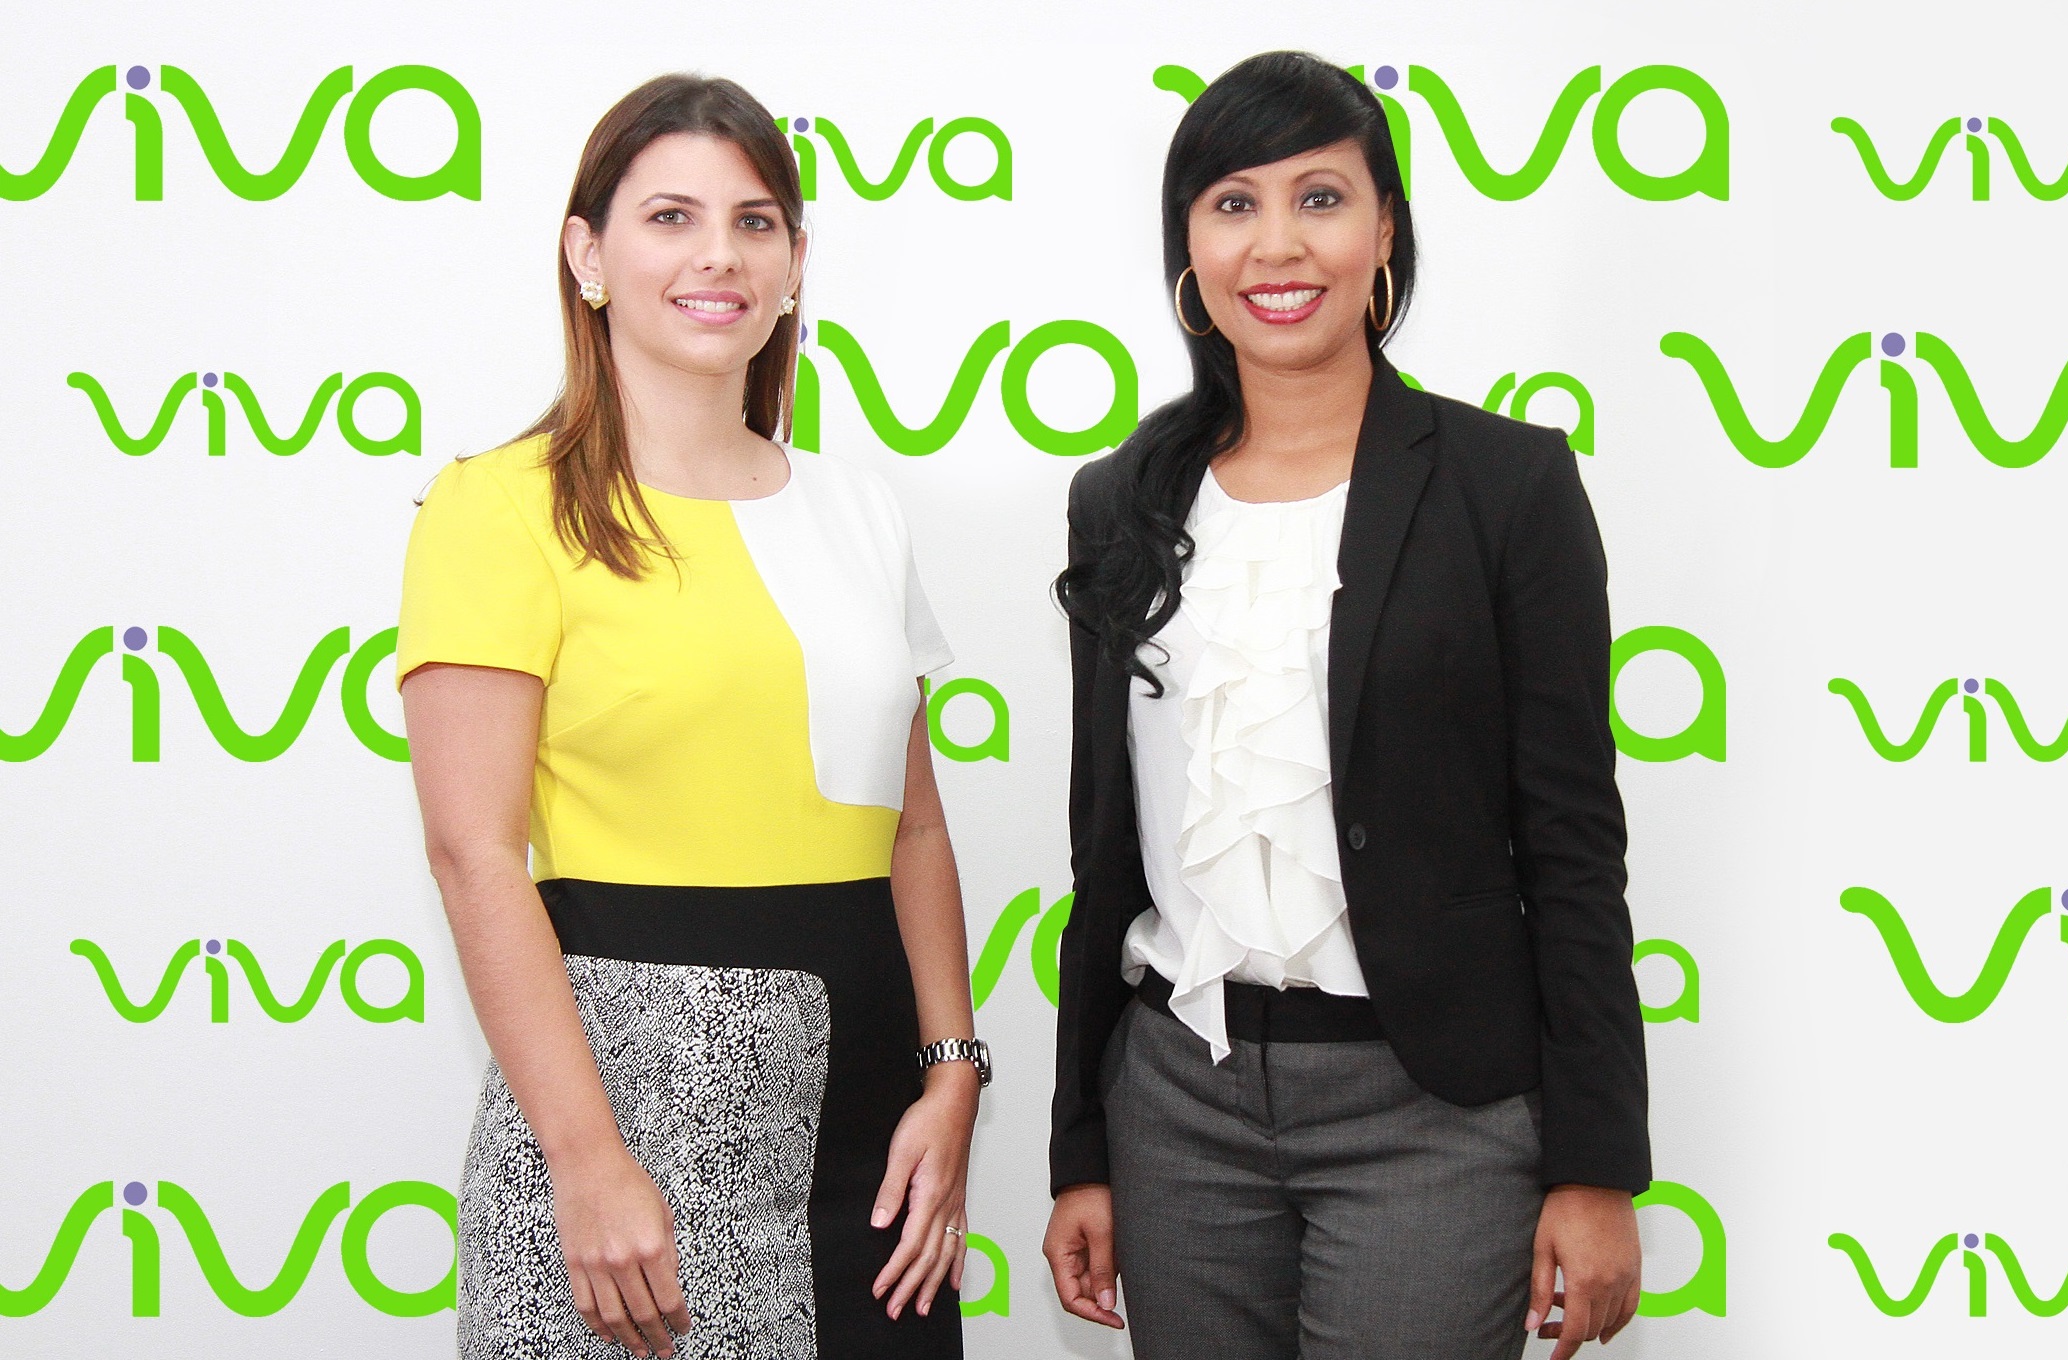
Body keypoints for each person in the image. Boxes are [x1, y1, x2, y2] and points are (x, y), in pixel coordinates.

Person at [1042, 51, 1650, 1360]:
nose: (1277, 243)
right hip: (1176, 1108)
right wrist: (1078, 1149)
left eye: (1319, 198)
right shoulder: (1119, 502)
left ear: (1383, 234)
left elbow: (1571, 848)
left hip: (1433, 1113)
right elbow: (1104, 856)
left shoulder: (1508, 487)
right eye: (1232, 203)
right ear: (1188, 248)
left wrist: (1596, 1167)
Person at [397, 74, 982, 1360]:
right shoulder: (496, 506)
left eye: (754, 221)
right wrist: (586, 1160)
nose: (719, 255)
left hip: (875, 1138)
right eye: (671, 217)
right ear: (586, 254)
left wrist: (952, 1074)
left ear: (793, 264)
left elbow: (915, 829)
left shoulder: (858, 513)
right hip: (630, 1125)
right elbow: (473, 854)